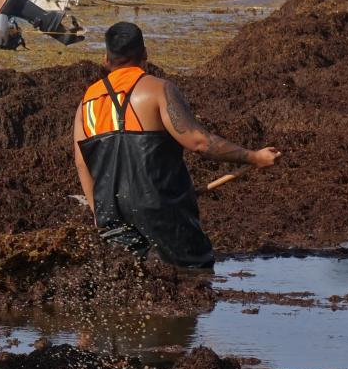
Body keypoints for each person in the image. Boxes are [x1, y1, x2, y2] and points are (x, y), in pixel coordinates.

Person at [73, 22, 280, 267]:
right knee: (194, 276)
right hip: (161, 210)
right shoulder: (158, 89)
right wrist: (253, 157)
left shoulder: (87, 102)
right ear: (145, 54)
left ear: (106, 58)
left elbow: (81, 163)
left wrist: (99, 213)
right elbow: (200, 142)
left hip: (111, 212)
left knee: (127, 284)